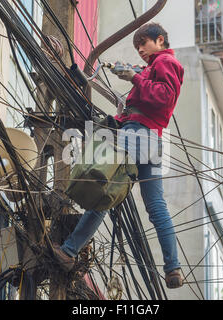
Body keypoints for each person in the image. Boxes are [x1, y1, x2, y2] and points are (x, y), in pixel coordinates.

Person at [52, 22, 185, 289]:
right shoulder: (153, 68)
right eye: (137, 47)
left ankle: (68, 250)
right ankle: (173, 268)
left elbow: (165, 98)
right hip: (151, 139)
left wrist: (135, 78)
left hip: (140, 134)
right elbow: (146, 101)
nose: (141, 51)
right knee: (156, 206)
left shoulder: (166, 62)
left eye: (144, 44)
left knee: (104, 187)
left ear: (160, 40)